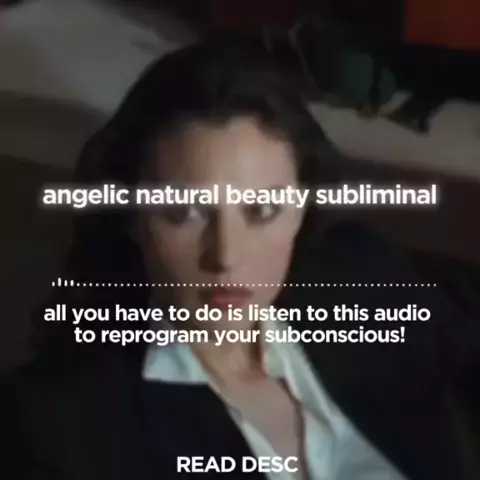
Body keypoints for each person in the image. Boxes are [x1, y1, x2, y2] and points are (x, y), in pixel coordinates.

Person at [2, 33, 479, 480]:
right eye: (185, 212)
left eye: (263, 210)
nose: (227, 257)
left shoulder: (358, 276)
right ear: (131, 216)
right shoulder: (60, 425)